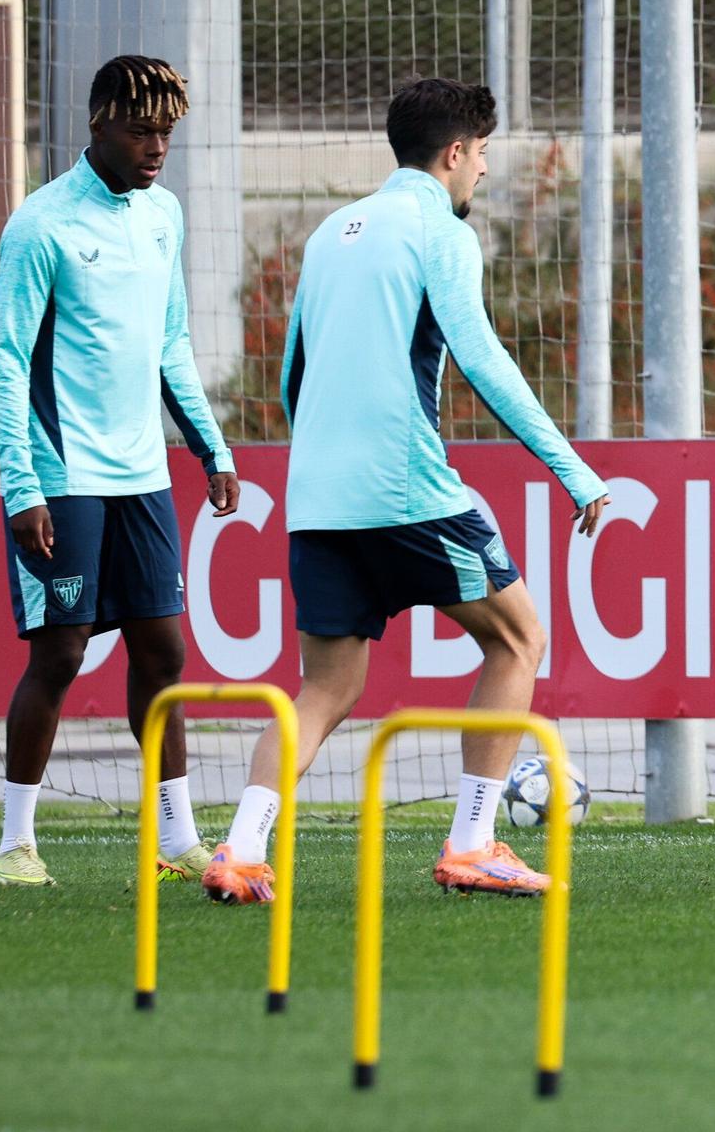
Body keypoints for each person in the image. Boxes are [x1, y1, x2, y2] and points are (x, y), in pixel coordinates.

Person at [201, 78, 609, 904]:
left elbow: (292, 374)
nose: (486, 172)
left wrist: (322, 464)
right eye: (484, 154)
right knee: (519, 640)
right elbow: (483, 357)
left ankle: (242, 849)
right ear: (454, 153)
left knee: (326, 685)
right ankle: (472, 842)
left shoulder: (328, 232)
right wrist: (572, 469)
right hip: (407, 486)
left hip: (316, 494)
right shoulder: (440, 231)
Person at [0, 56, 239, 887]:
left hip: (143, 475)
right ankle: (14, 844)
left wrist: (210, 446)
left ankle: (175, 836)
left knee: (163, 651)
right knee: (60, 654)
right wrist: (21, 485)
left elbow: (170, 344)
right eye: (141, 130)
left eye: (166, 131)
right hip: (62, 475)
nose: (157, 146)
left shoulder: (164, 215)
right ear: (97, 122)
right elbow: (10, 363)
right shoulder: (41, 224)